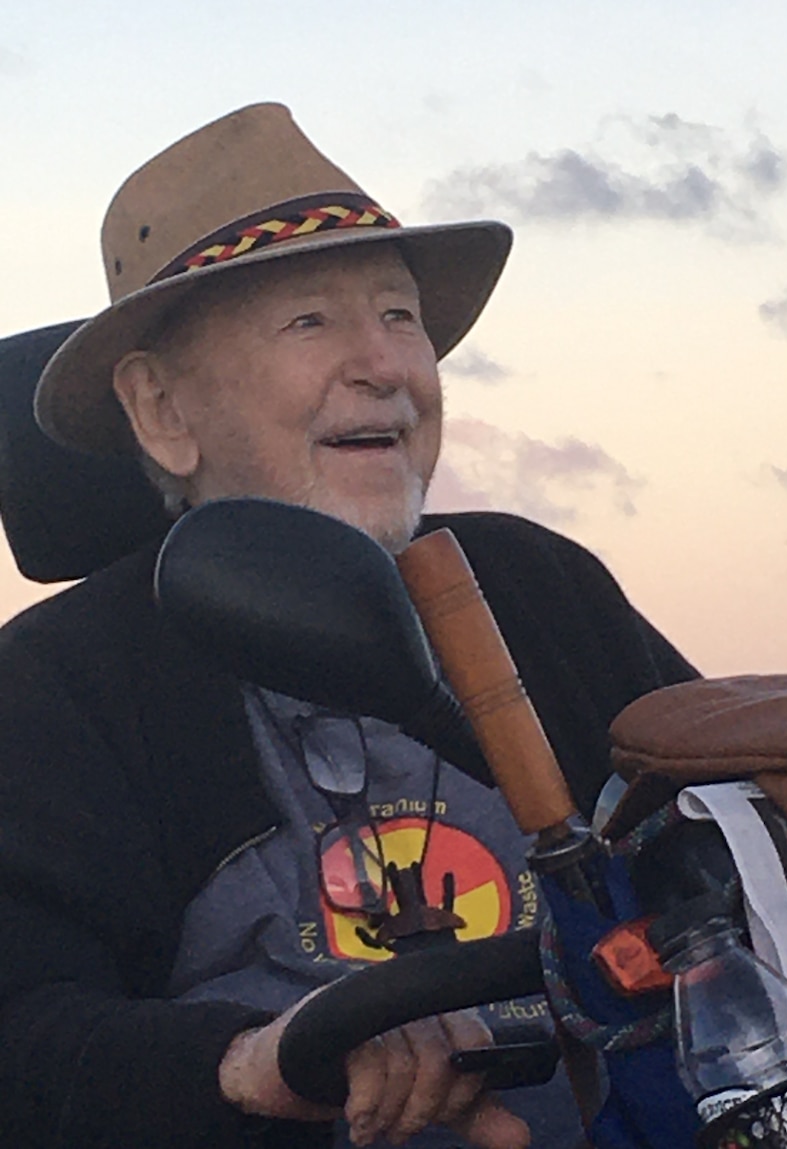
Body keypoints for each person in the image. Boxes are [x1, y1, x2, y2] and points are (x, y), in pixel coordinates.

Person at [0, 103, 696, 1148]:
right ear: (163, 413)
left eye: (400, 316)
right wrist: (248, 1063)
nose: (388, 367)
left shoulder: (534, 583)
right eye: (311, 322)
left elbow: (728, 831)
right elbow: (26, 1035)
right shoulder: (56, 684)